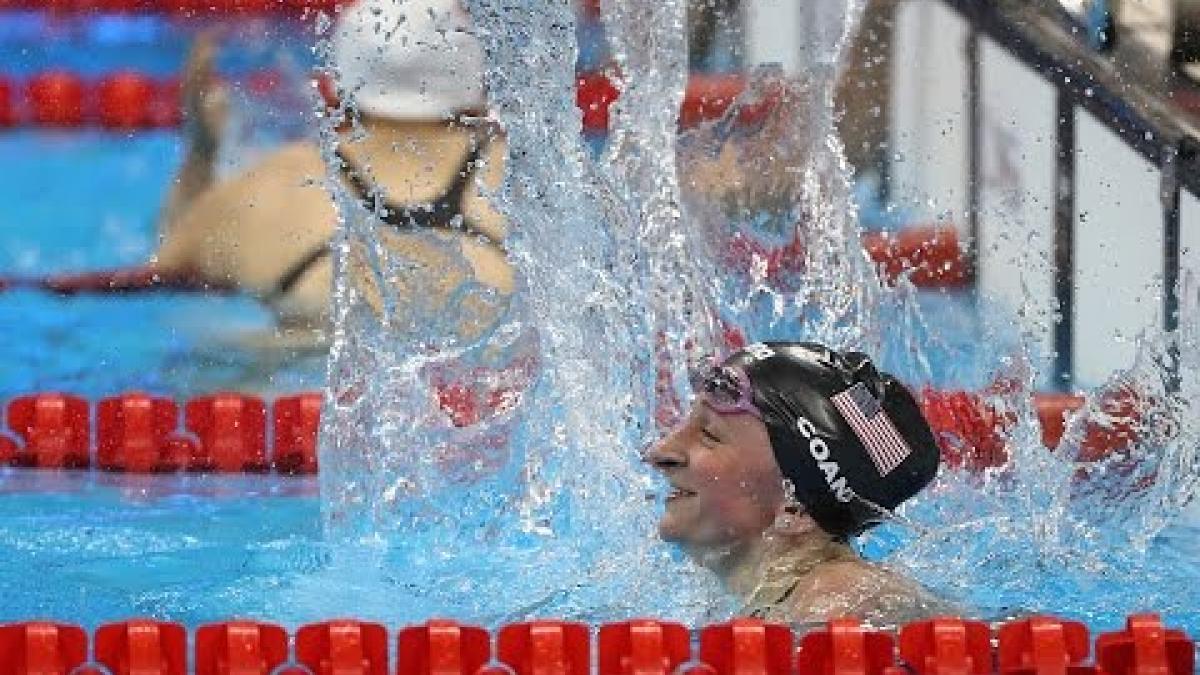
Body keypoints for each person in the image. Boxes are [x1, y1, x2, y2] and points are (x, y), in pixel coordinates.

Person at [38, 0, 511, 341]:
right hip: (495, 352)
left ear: (341, 81)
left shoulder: (279, 181)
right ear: (477, 82)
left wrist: (201, 152)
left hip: (307, 353)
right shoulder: (520, 174)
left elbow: (167, 264)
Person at [646, 340, 952, 625]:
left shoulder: (836, 605)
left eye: (710, 435)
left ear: (795, 510)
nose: (658, 453)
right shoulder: (782, 601)